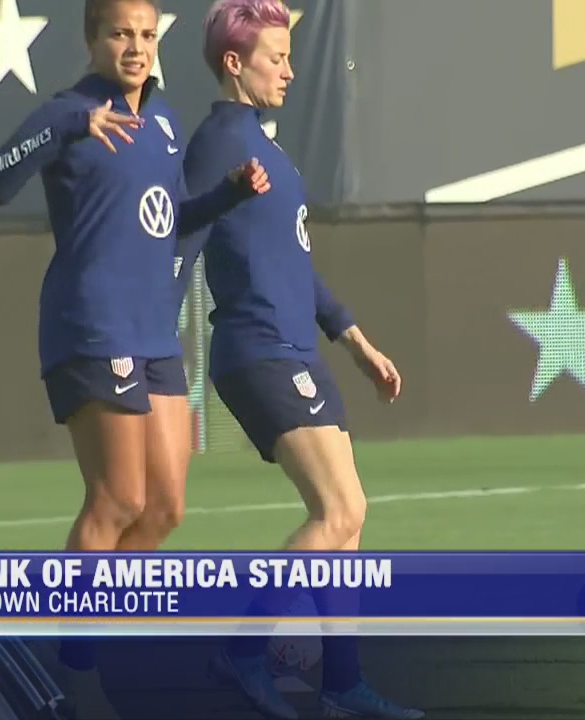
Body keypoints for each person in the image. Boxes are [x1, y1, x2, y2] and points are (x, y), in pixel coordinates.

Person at [0, 0, 268, 707]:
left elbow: (165, 222)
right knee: (117, 497)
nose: (134, 47)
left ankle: (82, 633)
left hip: (153, 332)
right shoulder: (67, 110)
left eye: (144, 34)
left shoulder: (162, 119)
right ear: (93, 41)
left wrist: (223, 197)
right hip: (91, 325)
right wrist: (73, 125)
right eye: (119, 34)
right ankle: (72, 673)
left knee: (164, 507)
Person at [186, 2, 421, 718]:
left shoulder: (267, 146)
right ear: (235, 63)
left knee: (348, 523)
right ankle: (244, 649)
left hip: (297, 349)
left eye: (290, 56)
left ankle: (343, 685)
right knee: (339, 508)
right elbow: (174, 222)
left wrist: (355, 340)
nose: (289, 69)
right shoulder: (217, 143)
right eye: (275, 57)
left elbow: (296, 265)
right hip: (256, 350)